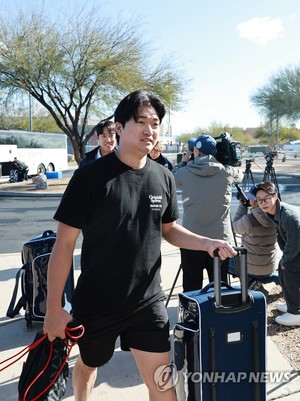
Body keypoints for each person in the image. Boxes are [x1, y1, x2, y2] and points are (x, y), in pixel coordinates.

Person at [43, 89, 237, 401]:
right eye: (141, 121)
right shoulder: (90, 178)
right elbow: (64, 245)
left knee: (162, 384)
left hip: (147, 301)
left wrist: (207, 243)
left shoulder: (164, 176)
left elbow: (170, 230)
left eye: (155, 123)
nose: (150, 129)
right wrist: (54, 308)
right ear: (119, 127)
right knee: (89, 365)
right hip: (97, 302)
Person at [173, 134, 242, 291]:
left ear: (196, 152)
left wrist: (183, 162)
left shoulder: (183, 172)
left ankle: (192, 314)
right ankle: (219, 314)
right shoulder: (227, 171)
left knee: (191, 286)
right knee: (220, 287)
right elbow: (240, 174)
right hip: (220, 241)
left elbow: (169, 179)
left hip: (191, 240)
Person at [253, 181, 300, 326]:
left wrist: (286, 260)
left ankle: (296, 312)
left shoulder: (290, 217)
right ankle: (292, 303)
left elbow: (294, 243)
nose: (263, 203)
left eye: (266, 199)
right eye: (259, 200)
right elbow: (282, 237)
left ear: (276, 196)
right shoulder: (273, 211)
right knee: (283, 269)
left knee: (290, 270)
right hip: (295, 245)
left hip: (297, 245)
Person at [232, 184, 279, 291]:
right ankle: (279, 278)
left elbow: (233, 227)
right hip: (270, 266)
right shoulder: (276, 216)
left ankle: (253, 286)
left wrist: (242, 207)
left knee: (230, 261)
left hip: (251, 269)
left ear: (255, 201)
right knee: (267, 274)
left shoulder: (248, 220)